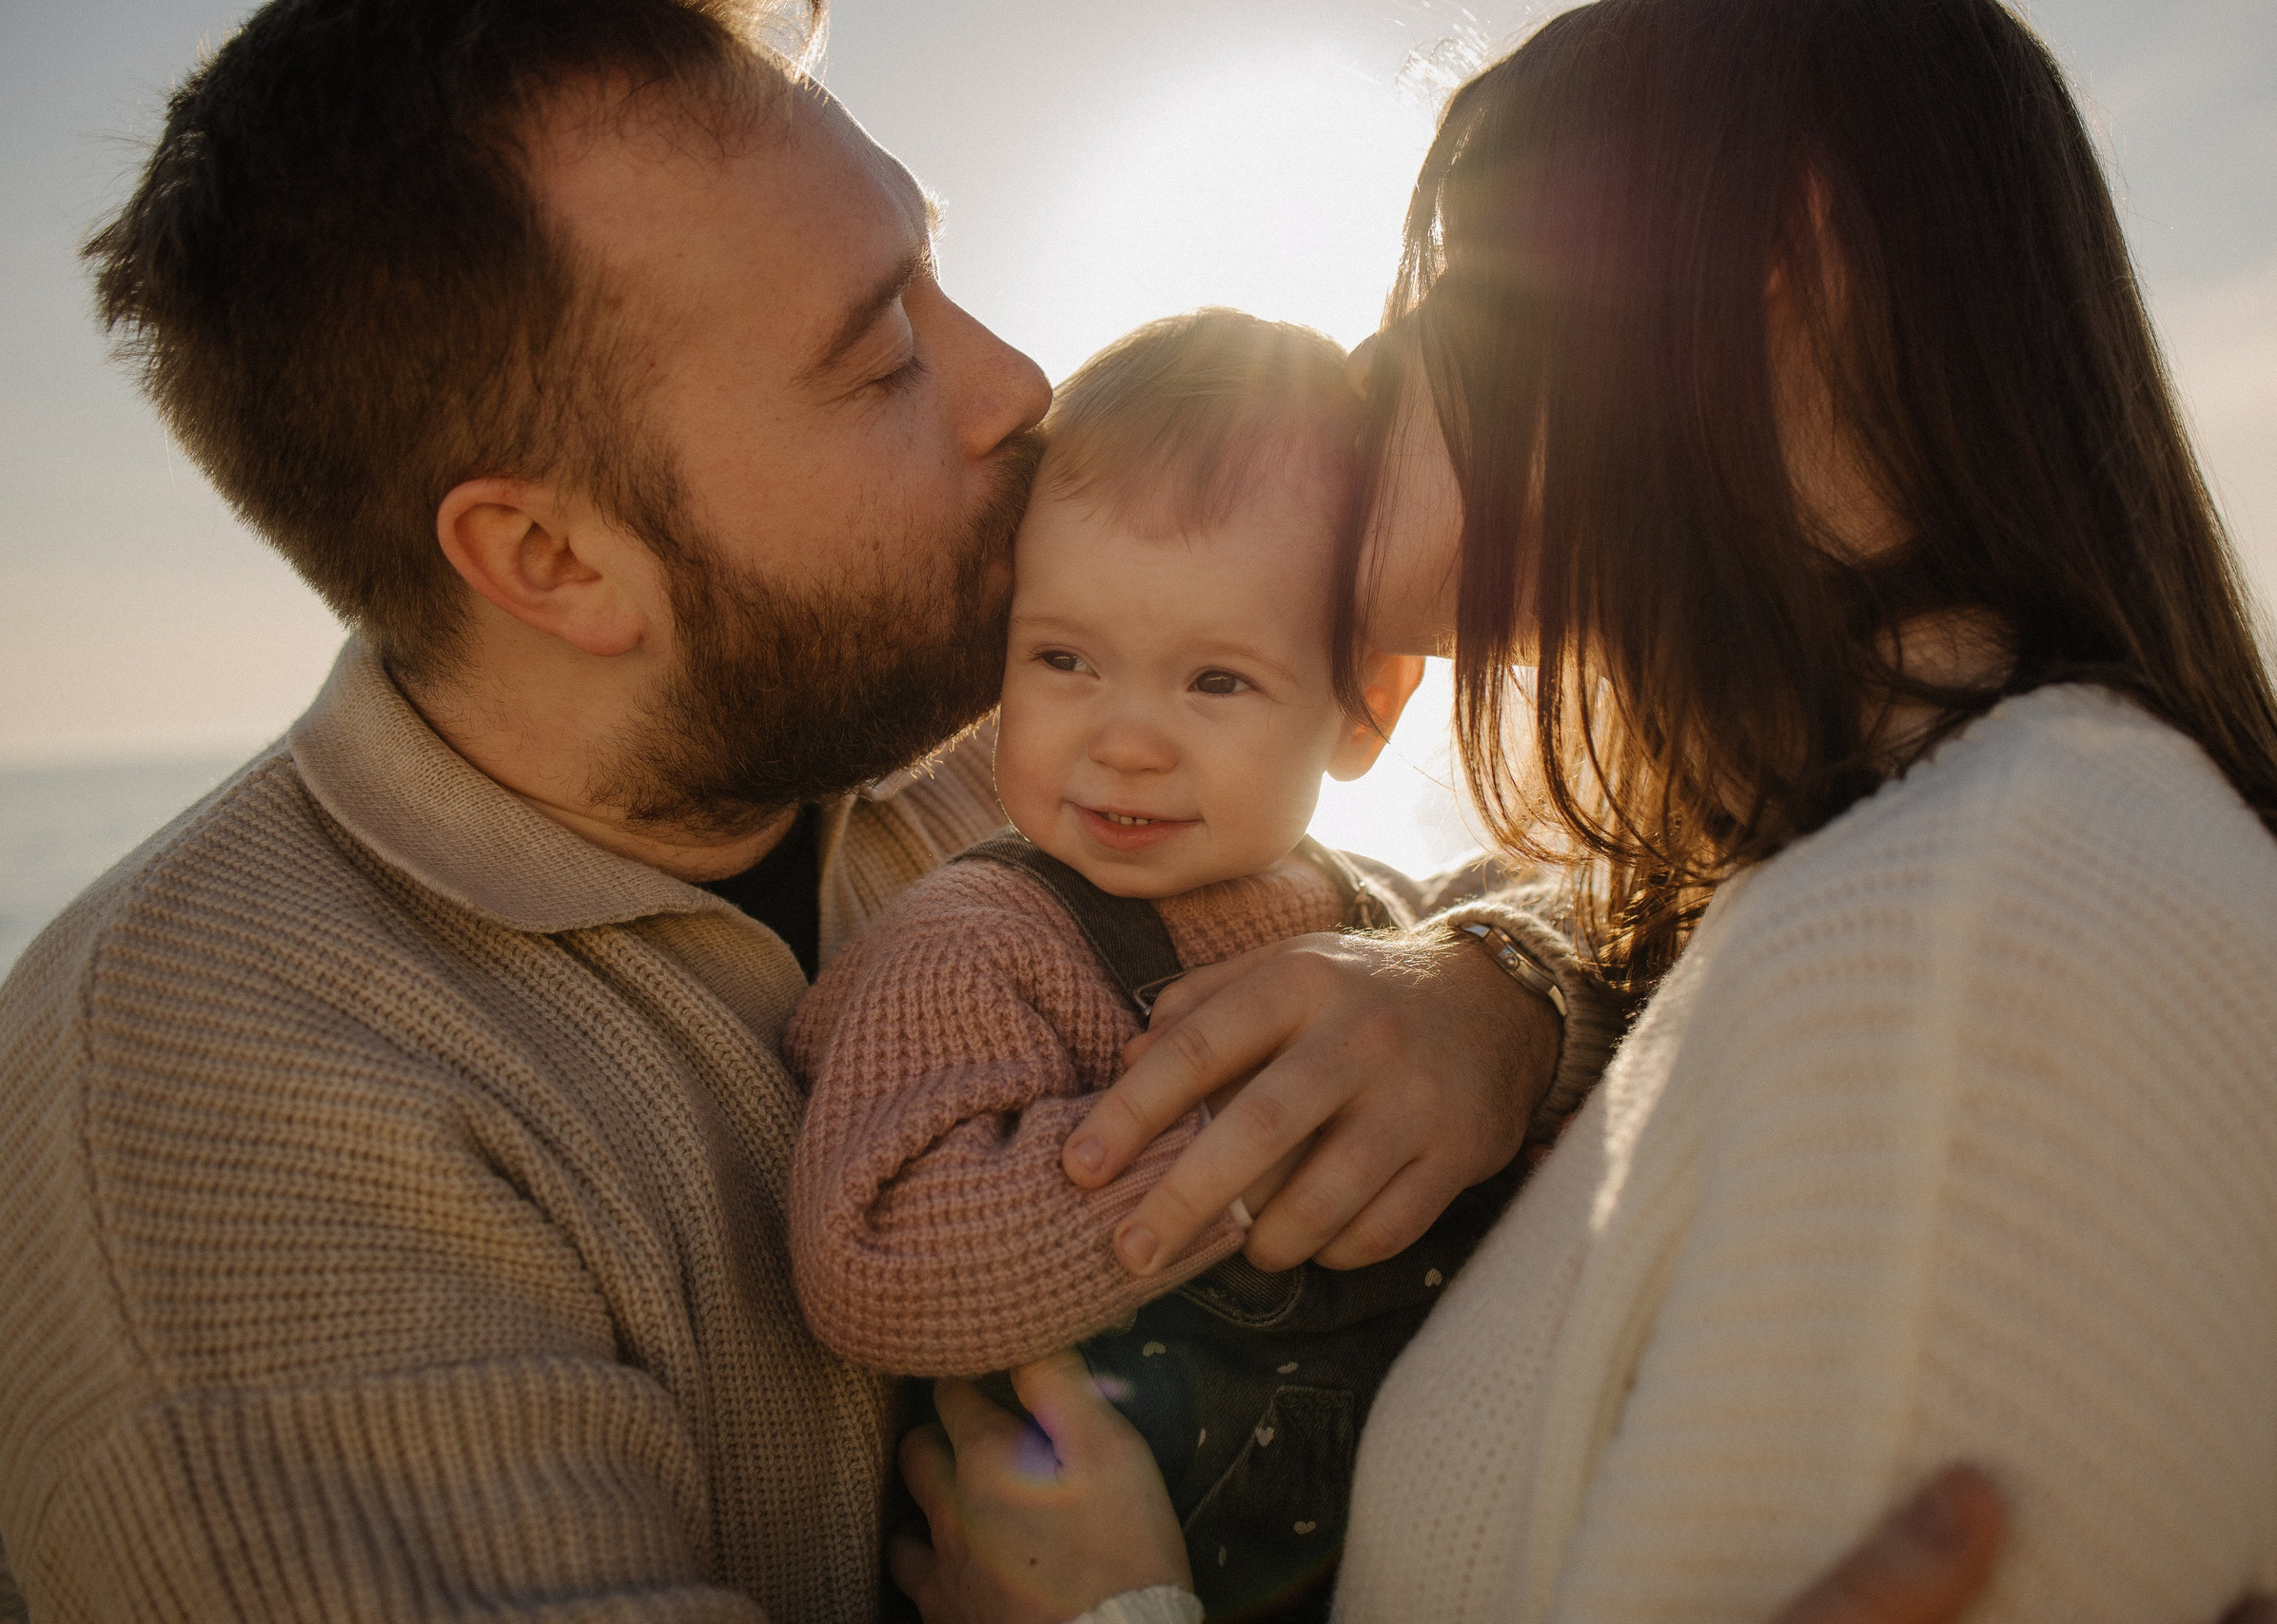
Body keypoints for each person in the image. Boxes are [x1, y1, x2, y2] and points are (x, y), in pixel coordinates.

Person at [0, 3, 1607, 1618]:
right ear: (555, 561)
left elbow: (1514, 910)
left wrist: (1494, 989)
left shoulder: (991, 737)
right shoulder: (213, 1113)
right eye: (885, 353)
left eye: (936, 272)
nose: (1014, 381)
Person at [890, 1, 2277, 1621]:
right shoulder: (1911, 872)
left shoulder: (1972, 943)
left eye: (1436, 290)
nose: (1368, 366)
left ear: (1788, 248)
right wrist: (1499, 984)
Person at [788, 309, 1625, 1622]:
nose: (1124, 740)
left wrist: (1505, 995)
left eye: (1216, 681)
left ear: (1364, 704)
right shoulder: (977, 938)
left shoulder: (1390, 923)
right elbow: (878, 1254)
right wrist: (1270, 1135)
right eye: (1066, 661)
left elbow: (1608, 942)